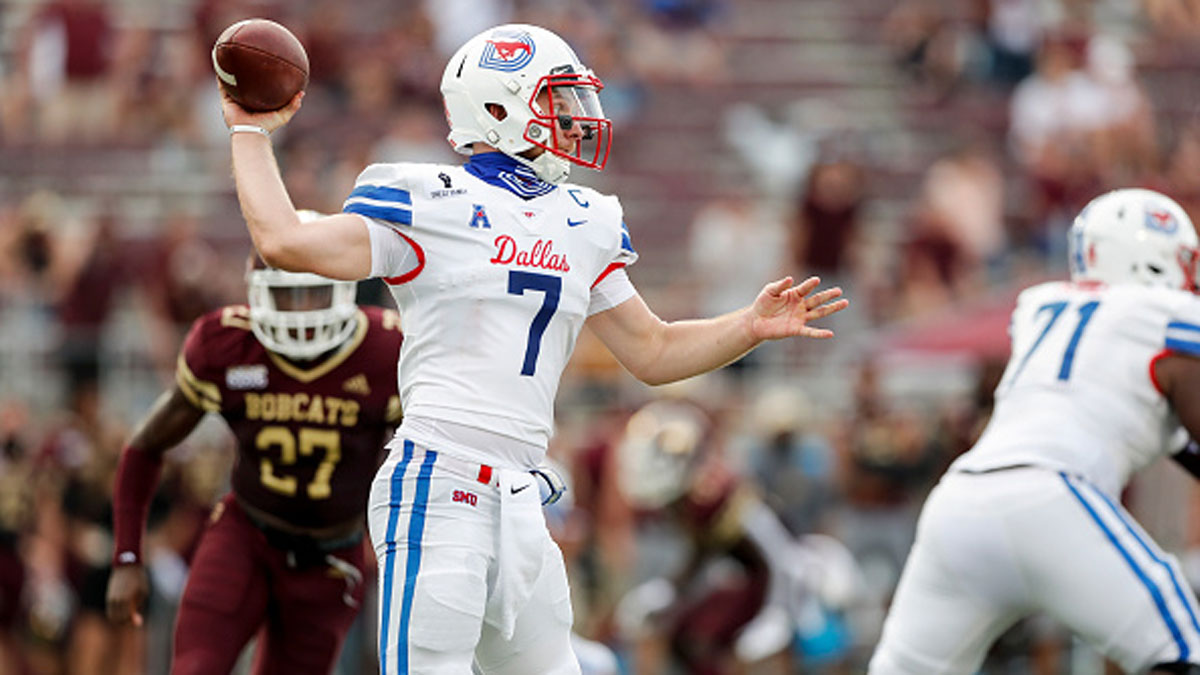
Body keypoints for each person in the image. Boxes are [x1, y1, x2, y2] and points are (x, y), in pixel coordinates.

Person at [218, 22, 848, 674]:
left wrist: (747, 324)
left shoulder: (585, 218)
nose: (576, 119)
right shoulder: (427, 198)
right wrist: (248, 130)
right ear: (497, 110)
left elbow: (654, 350)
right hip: (439, 479)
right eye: (557, 99)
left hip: (522, 494)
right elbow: (286, 241)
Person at [869, 188, 1200, 675]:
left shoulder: (1042, 306)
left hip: (960, 504)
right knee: (1181, 653)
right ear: (1154, 260)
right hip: (1053, 496)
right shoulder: (1162, 314)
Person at [105, 253, 403, 674]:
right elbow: (145, 445)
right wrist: (127, 557)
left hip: (331, 558)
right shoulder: (227, 344)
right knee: (195, 667)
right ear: (258, 295)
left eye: (313, 294)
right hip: (246, 537)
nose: (301, 312)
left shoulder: (383, 352)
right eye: (287, 296)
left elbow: (431, 456)